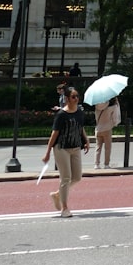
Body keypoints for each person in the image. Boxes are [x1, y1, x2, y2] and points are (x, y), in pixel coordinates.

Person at [43, 86, 89, 217]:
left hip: (75, 147)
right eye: (73, 97)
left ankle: (57, 194)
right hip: (61, 147)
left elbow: (80, 128)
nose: (76, 99)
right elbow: (54, 134)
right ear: (67, 98)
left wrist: (86, 140)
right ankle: (65, 208)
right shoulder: (61, 114)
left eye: (77, 96)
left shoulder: (80, 112)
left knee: (77, 177)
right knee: (66, 177)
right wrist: (47, 152)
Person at [93, 96, 120, 169]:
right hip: (107, 129)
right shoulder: (111, 108)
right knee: (107, 148)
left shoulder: (96, 107)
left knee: (98, 147)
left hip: (98, 129)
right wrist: (117, 102)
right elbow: (115, 117)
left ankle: (96, 164)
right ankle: (106, 164)